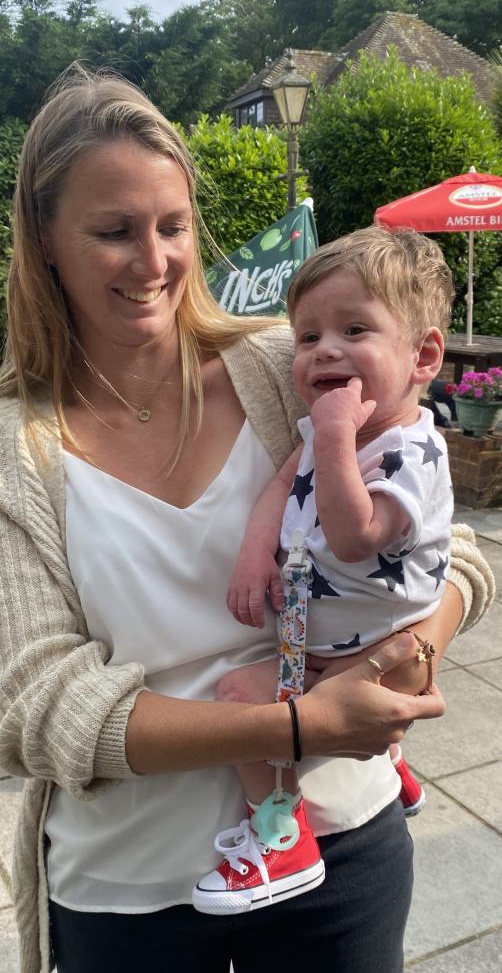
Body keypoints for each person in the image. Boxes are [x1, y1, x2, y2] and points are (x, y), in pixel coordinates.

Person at [0, 64, 494, 973]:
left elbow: (457, 545)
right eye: (113, 230)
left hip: (333, 830)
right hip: (128, 866)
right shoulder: (5, 443)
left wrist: (408, 653)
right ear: (43, 239)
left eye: (173, 225)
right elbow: (41, 709)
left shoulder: (275, 365)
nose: (152, 261)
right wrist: (295, 726)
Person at [194, 227, 453, 916]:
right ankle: (393, 771)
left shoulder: (409, 454)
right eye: (307, 338)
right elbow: (281, 485)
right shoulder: (321, 434)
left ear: (422, 355)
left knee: (240, 699)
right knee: (258, 694)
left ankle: (281, 835)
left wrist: (337, 435)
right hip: (329, 647)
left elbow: (355, 532)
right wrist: (256, 553)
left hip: (381, 658)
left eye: (355, 328)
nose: (324, 350)